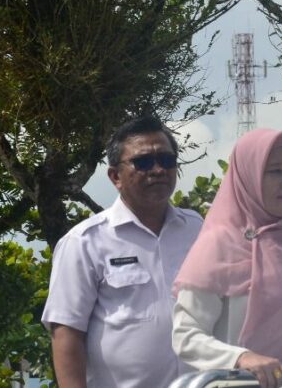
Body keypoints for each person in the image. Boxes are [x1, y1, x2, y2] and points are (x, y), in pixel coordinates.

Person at [172, 128, 282, 388]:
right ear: (248, 177)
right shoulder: (221, 242)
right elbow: (186, 335)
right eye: (275, 171)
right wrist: (240, 358)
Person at [42, 116, 203, 388]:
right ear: (115, 176)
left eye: (167, 160)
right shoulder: (85, 242)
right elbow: (66, 332)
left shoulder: (197, 229)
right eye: (143, 162)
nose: (158, 170)